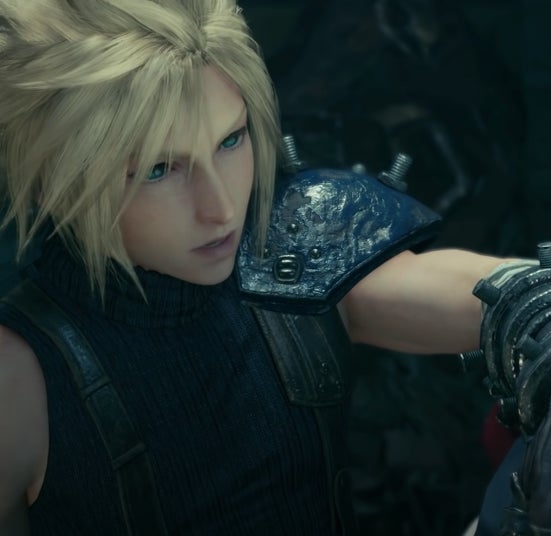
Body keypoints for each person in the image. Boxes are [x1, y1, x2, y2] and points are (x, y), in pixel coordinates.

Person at [0, 1, 523, 534]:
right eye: (159, 169)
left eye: (230, 140)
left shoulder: (291, 259)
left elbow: (474, 293)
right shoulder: (17, 379)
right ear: (52, 185)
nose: (221, 207)